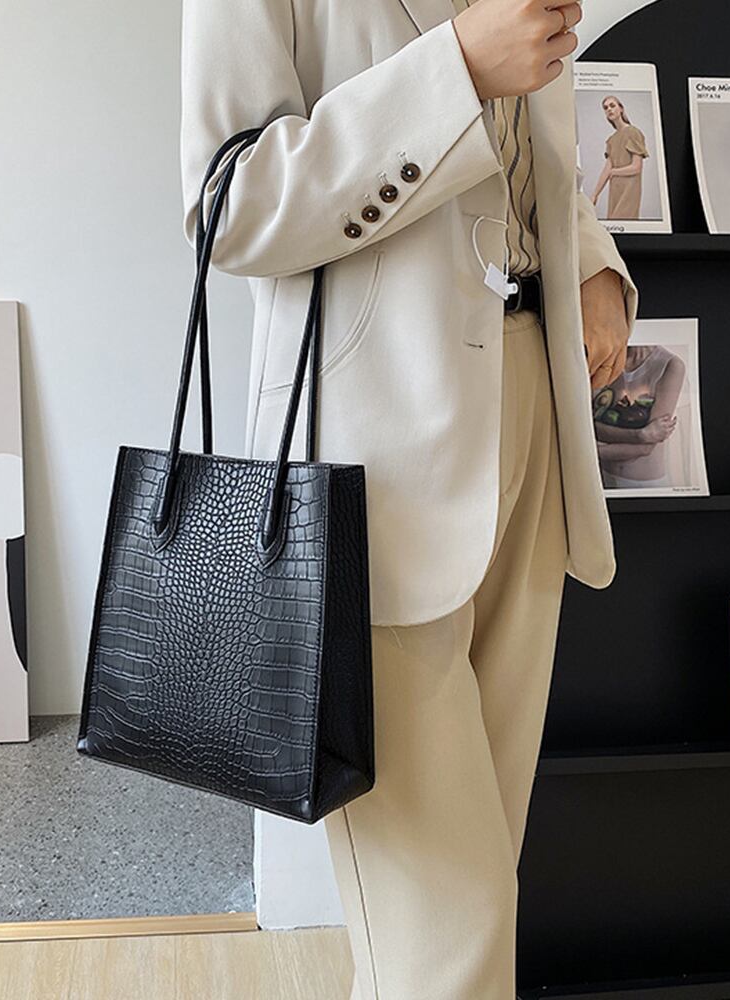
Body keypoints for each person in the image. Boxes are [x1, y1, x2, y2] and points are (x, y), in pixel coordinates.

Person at [179, 1, 639, 997]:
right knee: (450, 932)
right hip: (371, 458)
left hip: (534, 415)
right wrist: (455, 67)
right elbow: (228, 202)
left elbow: (524, 146)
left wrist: (594, 262)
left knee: (462, 909)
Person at [593, 343, 684, 489]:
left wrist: (589, 453)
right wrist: (640, 435)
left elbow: (645, 448)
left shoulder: (670, 365)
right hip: (601, 479)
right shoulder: (606, 359)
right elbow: (592, 428)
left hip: (645, 486)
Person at [591, 95, 650, 220]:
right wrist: (595, 195)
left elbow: (636, 167)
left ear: (621, 109)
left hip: (629, 191)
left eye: (612, 106)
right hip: (615, 191)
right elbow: (606, 170)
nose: (609, 109)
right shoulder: (611, 140)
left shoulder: (633, 132)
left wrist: (614, 171)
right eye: (605, 108)